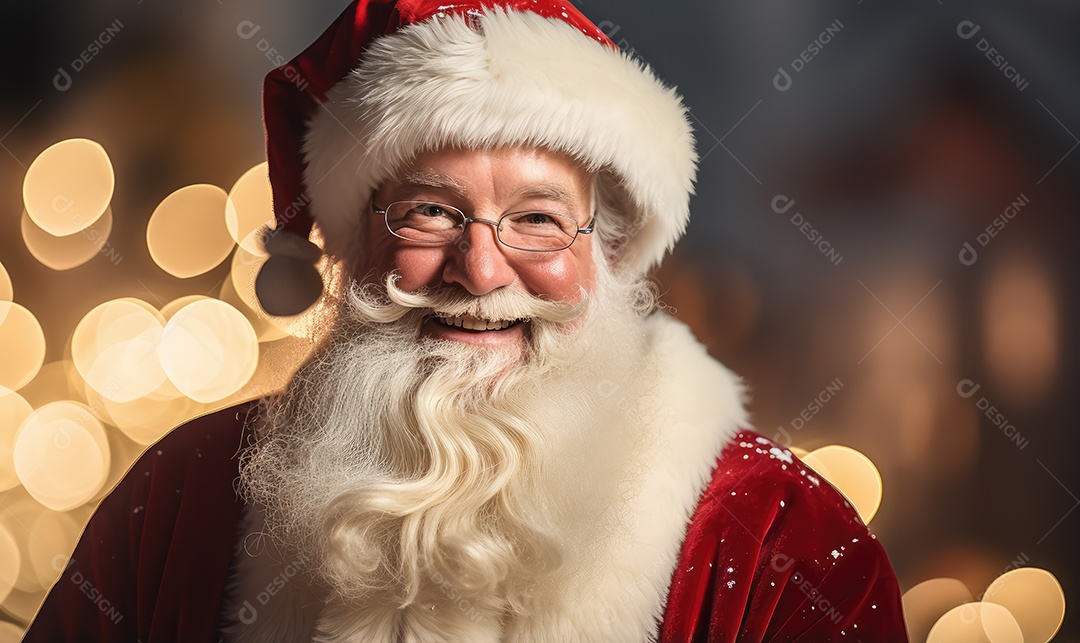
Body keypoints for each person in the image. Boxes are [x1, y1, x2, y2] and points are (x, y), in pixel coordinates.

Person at [23, 1, 909, 641]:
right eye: (429, 212)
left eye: (537, 218)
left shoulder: (781, 541)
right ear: (346, 242)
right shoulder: (181, 500)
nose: (481, 272)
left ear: (606, 251)